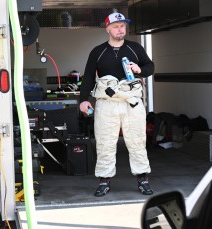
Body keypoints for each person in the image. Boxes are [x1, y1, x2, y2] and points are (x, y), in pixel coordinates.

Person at [79, 11, 154, 197]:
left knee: (137, 141)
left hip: (131, 103)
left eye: (123, 26)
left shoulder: (135, 48)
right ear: (108, 29)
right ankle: (104, 181)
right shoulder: (98, 51)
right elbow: (88, 76)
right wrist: (83, 100)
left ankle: (143, 179)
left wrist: (140, 69)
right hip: (107, 103)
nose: (120, 29)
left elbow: (150, 67)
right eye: (116, 26)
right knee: (105, 142)